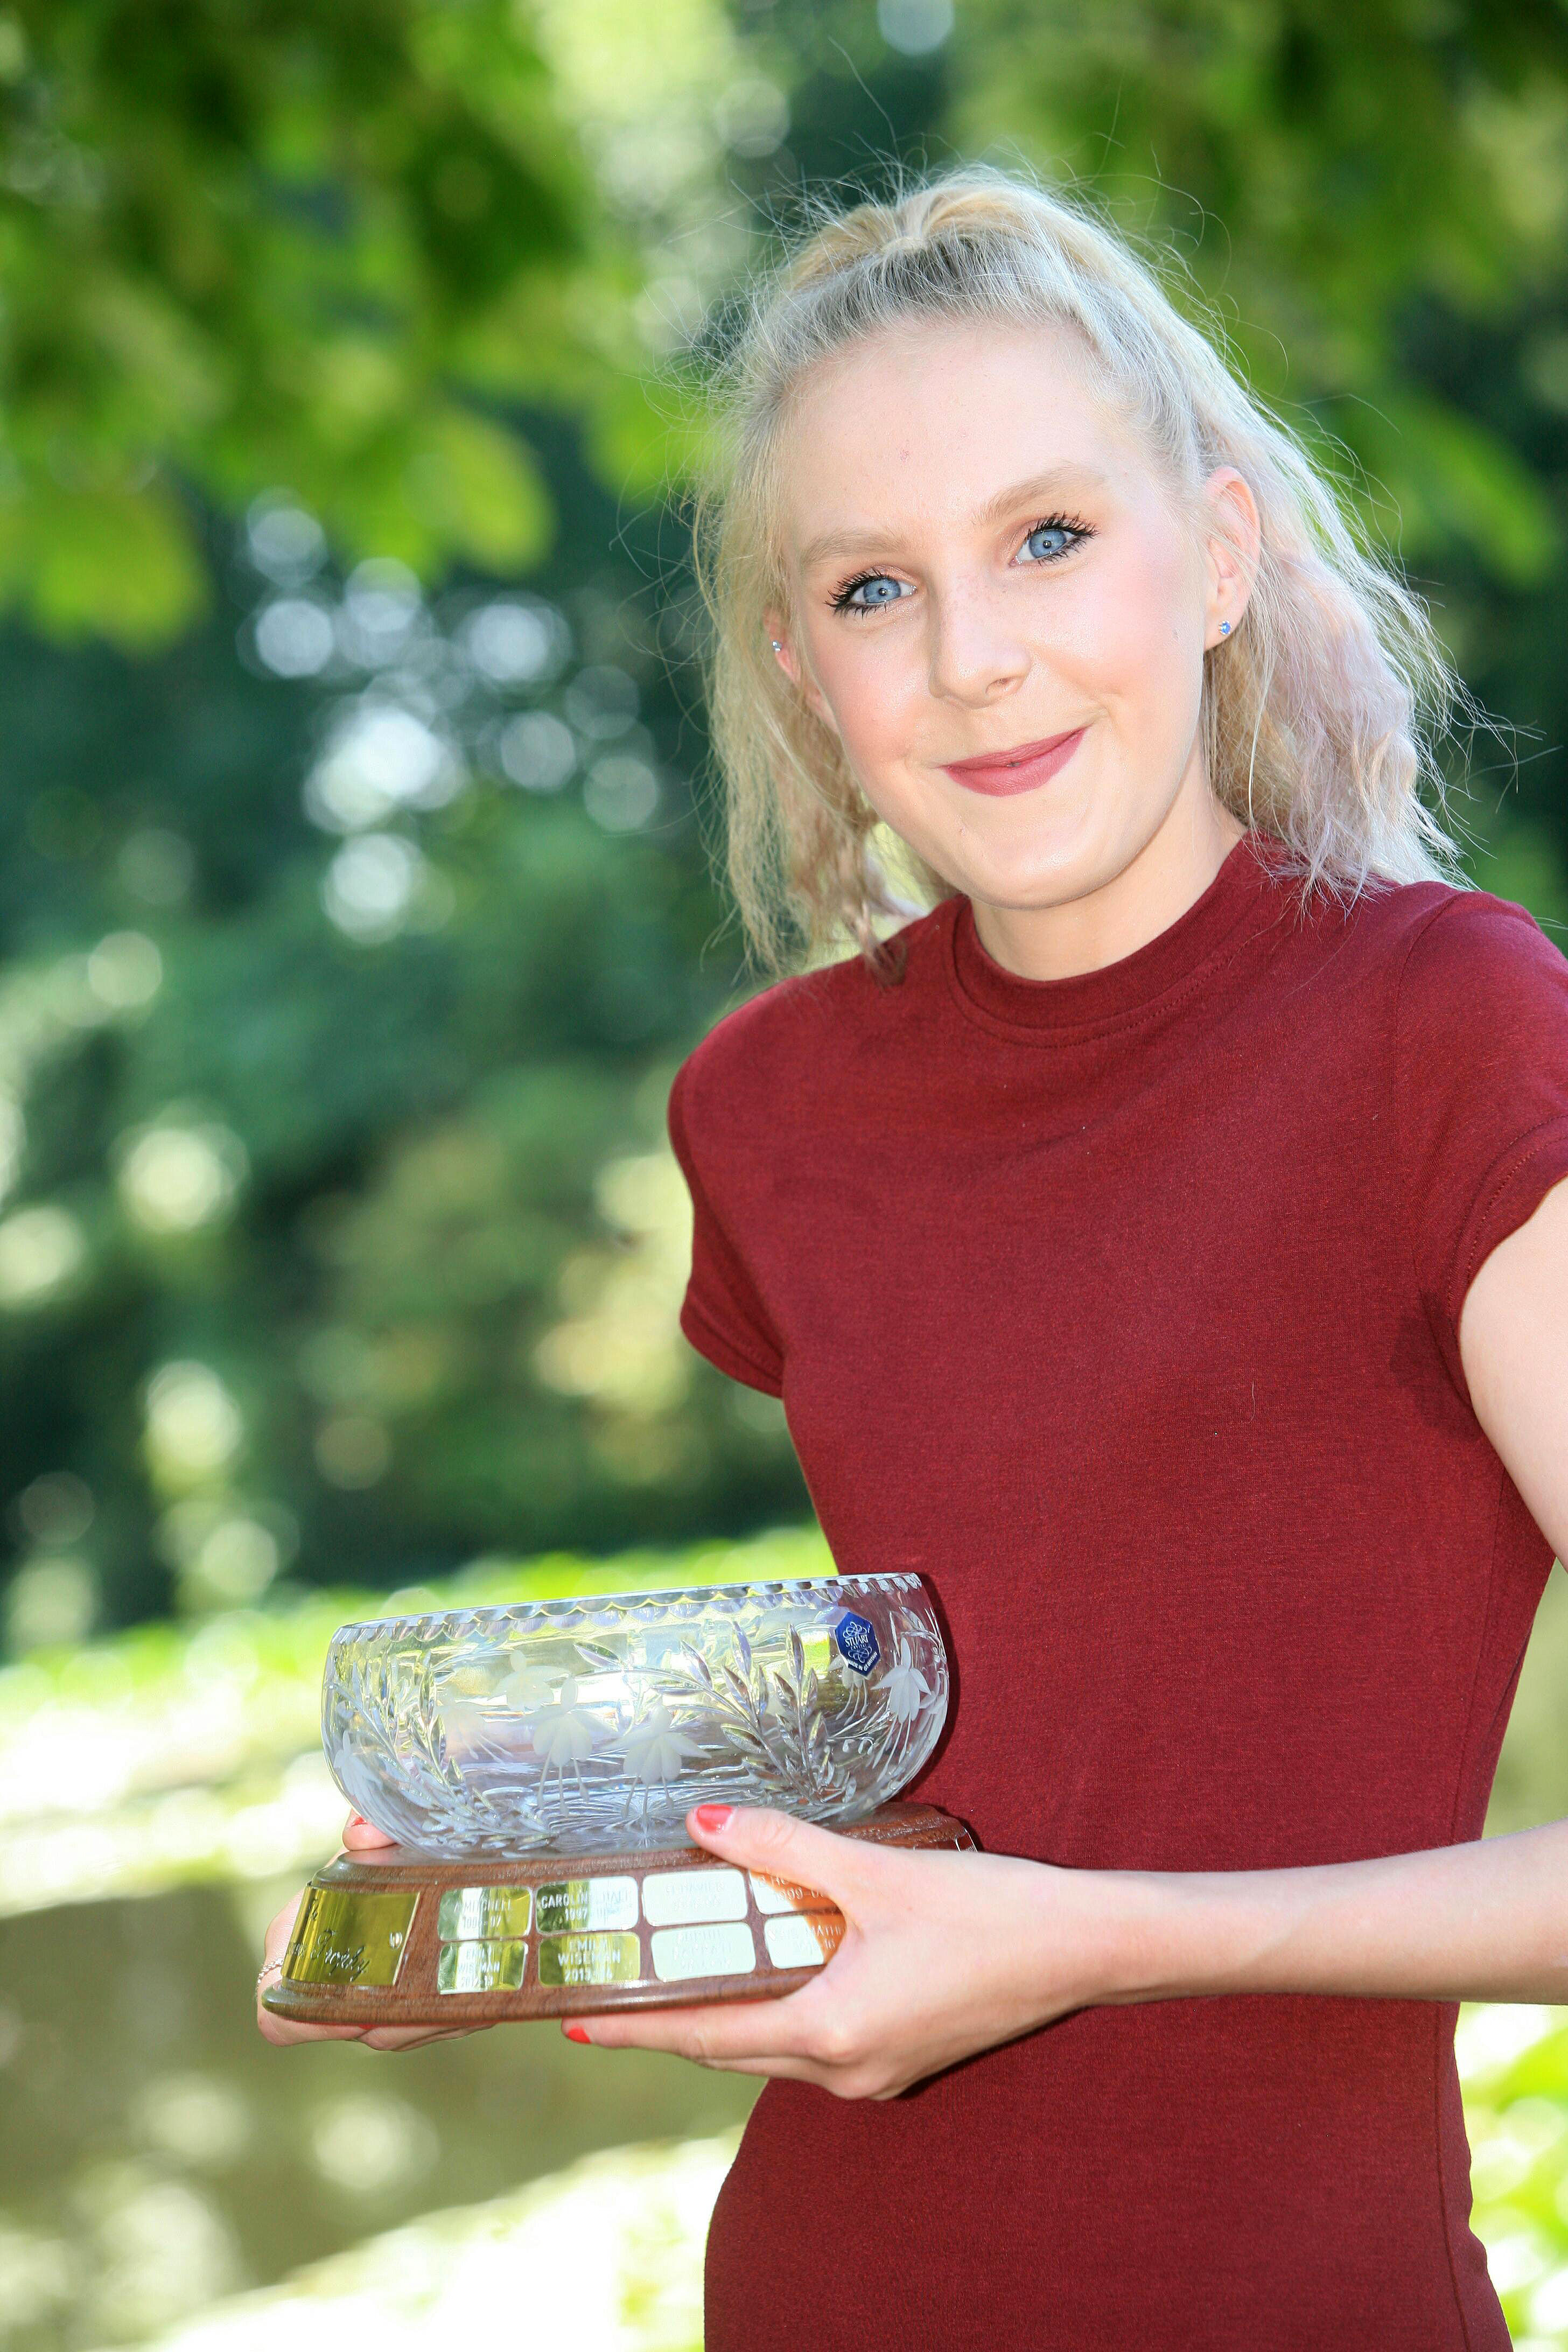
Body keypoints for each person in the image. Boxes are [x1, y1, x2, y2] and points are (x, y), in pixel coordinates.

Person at [259, 167, 1568, 2348]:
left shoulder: (1453, 1031)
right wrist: (541, 1889)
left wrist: (1089, 1942)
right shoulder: (767, 1114)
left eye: (1046, 537)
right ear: (800, 663)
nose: (971, 660)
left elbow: (1082, 1858)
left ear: (1217, 552)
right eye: (874, 587)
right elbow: (985, 1748)